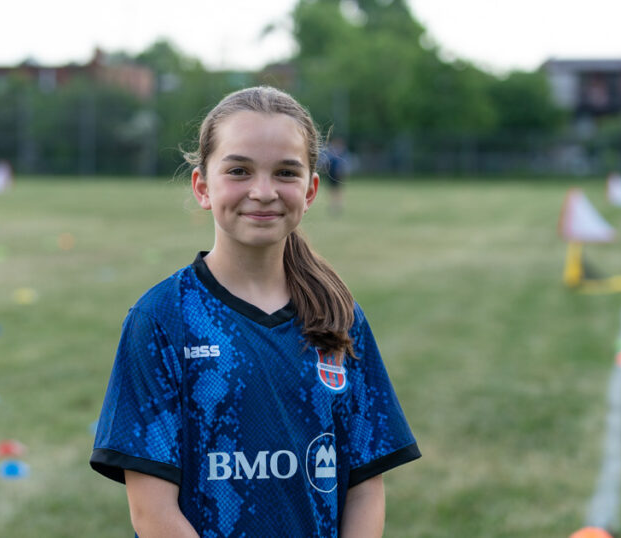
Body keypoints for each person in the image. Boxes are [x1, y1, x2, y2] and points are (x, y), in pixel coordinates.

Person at [90, 86, 419, 537]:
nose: (263, 192)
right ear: (202, 186)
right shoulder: (163, 318)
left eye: (286, 172)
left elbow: (364, 485)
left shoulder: (338, 318)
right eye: (239, 170)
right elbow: (152, 514)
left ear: (311, 190)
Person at [321, 137, 349, 215]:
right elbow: (326, 164)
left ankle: (338, 205)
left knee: (338, 191)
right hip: (331, 175)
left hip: (337, 176)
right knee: (331, 191)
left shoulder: (341, 155)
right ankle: (332, 205)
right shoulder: (331, 154)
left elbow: (342, 166)